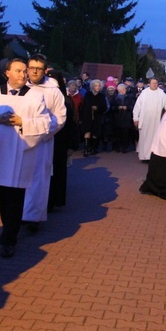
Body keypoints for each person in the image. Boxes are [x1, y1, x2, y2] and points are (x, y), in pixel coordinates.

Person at [0, 58, 51, 259]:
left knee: (15, 198)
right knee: (1, 197)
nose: (23, 75)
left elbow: (44, 123)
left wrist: (23, 122)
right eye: (18, 71)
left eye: (24, 71)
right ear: (7, 73)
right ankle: (7, 230)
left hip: (20, 154)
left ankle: (10, 239)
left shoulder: (36, 97)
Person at [23, 55, 66, 231]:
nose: (34, 71)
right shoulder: (20, 87)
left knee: (38, 180)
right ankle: (18, 214)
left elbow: (60, 117)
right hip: (21, 142)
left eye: (38, 68)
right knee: (20, 179)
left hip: (42, 142)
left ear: (45, 70)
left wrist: (43, 132)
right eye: (31, 67)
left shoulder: (53, 90)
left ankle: (34, 217)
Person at [46, 70, 76, 212]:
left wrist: (71, 144)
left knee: (57, 171)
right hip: (45, 140)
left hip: (60, 141)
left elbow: (71, 124)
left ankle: (54, 199)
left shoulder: (66, 100)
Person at [132, 77, 166, 162]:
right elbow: (137, 107)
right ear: (149, 84)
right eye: (153, 83)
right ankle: (144, 156)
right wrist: (135, 118)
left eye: (156, 83)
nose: (154, 84)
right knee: (144, 138)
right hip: (145, 120)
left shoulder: (162, 94)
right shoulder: (144, 93)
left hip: (157, 121)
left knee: (155, 139)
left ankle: (153, 156)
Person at [81, 80, 108, 155]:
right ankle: (86, 149)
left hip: (97, 116)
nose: (97, 87)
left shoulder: (102, 96)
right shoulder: (87, 94)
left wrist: (98, 108)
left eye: (99, 86)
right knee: (87, 132)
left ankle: (93, 148)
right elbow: (84, 105)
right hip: (87, 116)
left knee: (95, 133)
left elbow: (105, 107)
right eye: (96, 85)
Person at [110, 83, 135, 153]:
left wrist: (127, 107)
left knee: (125, 133)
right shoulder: (115, 98)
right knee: (117, 133)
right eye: (123, 89)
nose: (125, 90)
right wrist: (117, 108)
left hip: (126, 118)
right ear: (119, 90)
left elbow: (133, 106)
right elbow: (111, 107)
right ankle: (117, 147)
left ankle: (125, 147)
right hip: (117, 118)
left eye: (125, 89)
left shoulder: (129, 97)